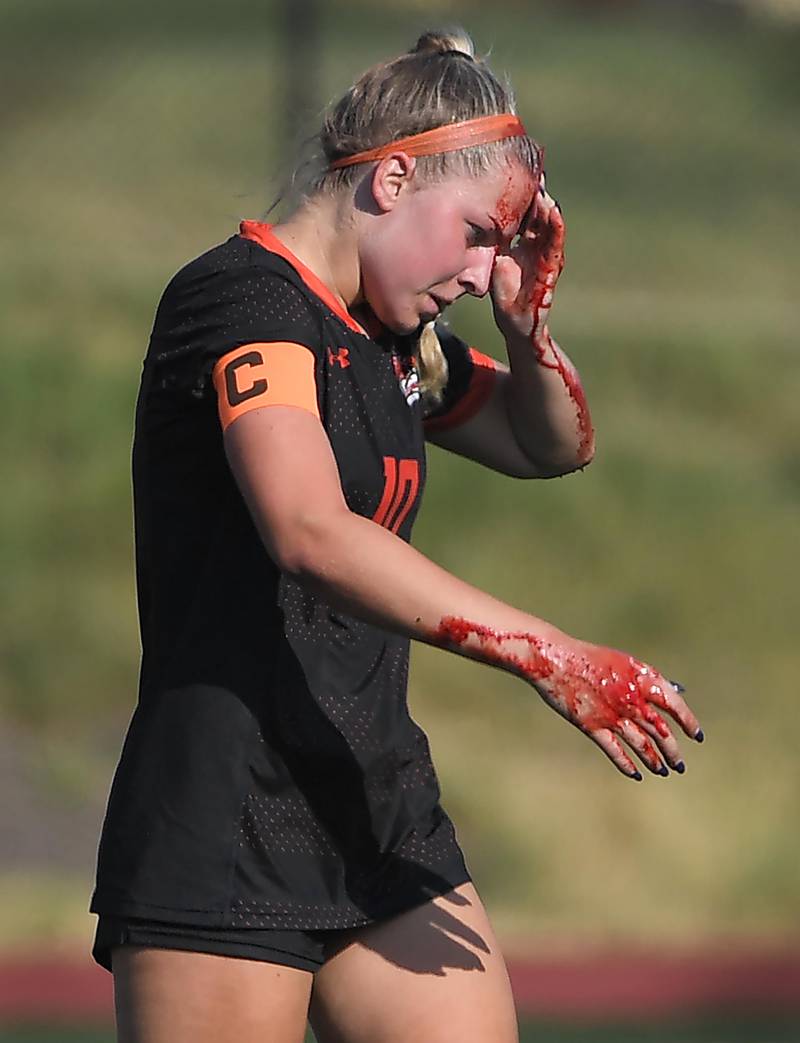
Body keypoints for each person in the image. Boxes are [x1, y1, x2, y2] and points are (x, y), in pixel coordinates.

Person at [90, 27, 703, 1043]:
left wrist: (526, 330)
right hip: (227, 812)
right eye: (472, 233)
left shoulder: (390, 341)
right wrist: (540, 651)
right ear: (391, 179)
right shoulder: (243, 302)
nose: (477, 269)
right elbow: (308, 529)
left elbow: (546, 443)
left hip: (377, 807)